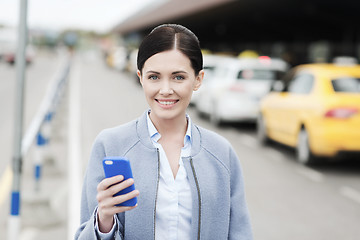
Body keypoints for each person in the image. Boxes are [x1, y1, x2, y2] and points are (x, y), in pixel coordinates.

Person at [75, 24, 253, 240]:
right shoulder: (110, 145)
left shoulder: (221, 152)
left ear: (198, 80)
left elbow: (240, 233)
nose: (166, 89)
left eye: (178, 77)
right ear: (140, 77)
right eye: (154, 77)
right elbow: (84, 233)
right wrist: (103, 221)